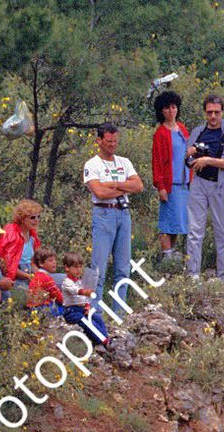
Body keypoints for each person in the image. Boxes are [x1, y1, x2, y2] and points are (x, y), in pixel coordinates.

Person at [184, 96, 224, 287]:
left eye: (216, 112)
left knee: (222, 231)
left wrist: (208, 160)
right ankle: (193, 273)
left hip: (220, 184)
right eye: (209, 112)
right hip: (199, 183)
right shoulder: (197, 132)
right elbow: (187, 159)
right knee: (195, 230)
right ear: (205, 112)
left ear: (222, 112)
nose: (213, 116)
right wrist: (192, 154)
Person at [84, 123, 144, 310]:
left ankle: (119, 311)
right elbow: (100, 192)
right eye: (109, 141)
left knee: (123, 267)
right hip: (103, 213)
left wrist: (114, 184)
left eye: (115, 141)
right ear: (99, 141)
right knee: (98, 267)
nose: (112, 145)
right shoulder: (92, 164)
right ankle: (94, 311)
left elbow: (138, 186)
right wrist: (125, 186)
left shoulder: (124, 162)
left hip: (123, 212)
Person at [151, 91, 190, 260]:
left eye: (173, 107)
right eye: (167, 108)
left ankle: (172, 253)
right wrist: (160, 186)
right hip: (169, 184)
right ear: (161, 110)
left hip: (184, 182)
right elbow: (157, 162)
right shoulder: (161, 133)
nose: (171, 111)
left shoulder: (182, 129)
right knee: (167, 221)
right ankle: (167, 255)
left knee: (178, 221)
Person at [0, 199, 44, 297]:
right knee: (34, 296)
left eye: (38, 217)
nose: (36, 220)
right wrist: (28, 276)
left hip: (28, 275)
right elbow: (8, 266)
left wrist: (39, 275)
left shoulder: (32, 236)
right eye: (32, 217)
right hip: (14, 278)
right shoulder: (11, 233)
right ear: (22, 218)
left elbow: (32, 263)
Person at [58, 252, 106, 343]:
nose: (79, 270)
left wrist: (87, 305)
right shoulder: (67, 282)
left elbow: (84, 299)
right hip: (71, 311)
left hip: (81, 309)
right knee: (87, 322)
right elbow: (76, 290)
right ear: (67, 268)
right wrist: (86, 292)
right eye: (76, 267)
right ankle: (100, 340)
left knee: (97, 318)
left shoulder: (80, 281)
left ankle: (105, 337)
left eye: (80, 267)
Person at [24, 248, 65, 316]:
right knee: (68, 310)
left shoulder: (37, 275)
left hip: (32, 309)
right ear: (41, 263)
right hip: (43, 308)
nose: (54, 262)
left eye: (55, 260)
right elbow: (59, 297)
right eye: (50, 260)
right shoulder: (46, 278)